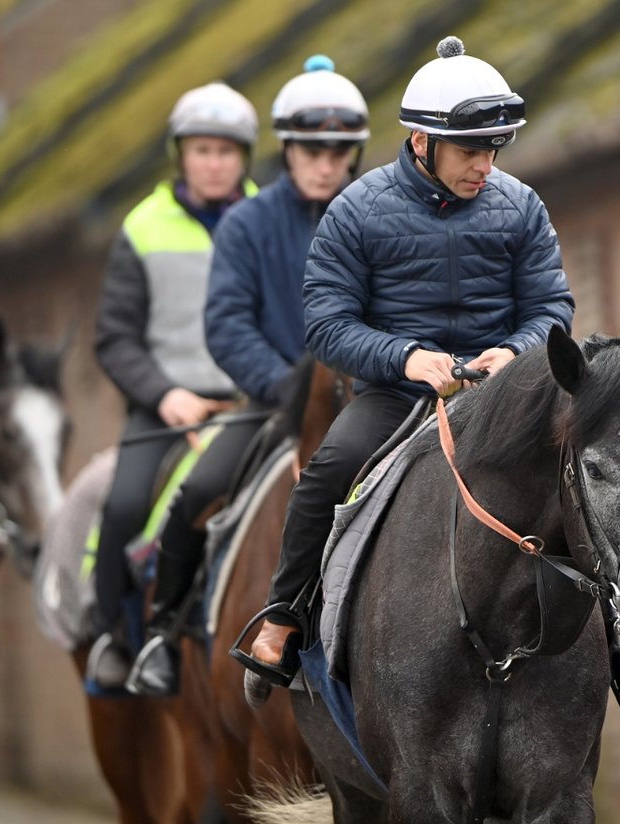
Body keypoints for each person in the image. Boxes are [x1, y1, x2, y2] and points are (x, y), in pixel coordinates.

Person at [238, 35, 576, 687]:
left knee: (594, 468)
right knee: (326, 472)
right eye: (471, 150)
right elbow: (327, 325)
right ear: (421, 142)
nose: (486, 164)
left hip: (505, 394)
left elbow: (552, 307)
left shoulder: (522, 207)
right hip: (397, 395)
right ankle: (283, 617)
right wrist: (407, 357)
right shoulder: (355, 212)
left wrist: (517, 350)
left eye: (494, 149)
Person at [125, 56, 371, 696]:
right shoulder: (246, 224)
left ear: (356, 151)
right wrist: (287, 385)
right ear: (287, 150)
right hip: (273, 404)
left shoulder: (379, 215)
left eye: (339, 150)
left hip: (373, 398)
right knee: (197, 489)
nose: (325, 162)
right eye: (311, 149)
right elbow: (228, 324)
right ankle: (159, 632)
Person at [85, 81, 258, 689]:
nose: (214, 163)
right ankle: (112, 633)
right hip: (169, 408)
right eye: (202, 150)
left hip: (251, 406)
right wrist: (166, 394)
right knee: (127, 502)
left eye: (226, 151)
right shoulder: (142, 227)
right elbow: (115, 338)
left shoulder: (268, 217)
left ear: (244, 158)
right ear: (180, 154)